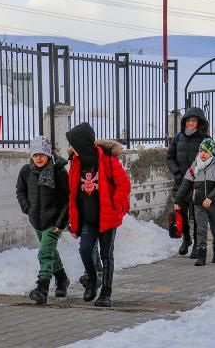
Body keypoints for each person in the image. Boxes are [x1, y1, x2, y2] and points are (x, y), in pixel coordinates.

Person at [66, 122, 131, 307]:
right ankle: (93, 280)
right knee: (85, 250)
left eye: (73, 144)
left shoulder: (108, 160)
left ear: (82, 143)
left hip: (107, 218)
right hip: (88, 218)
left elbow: (124, 186)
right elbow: (73, 194)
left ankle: (106, 293)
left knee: (106, 255)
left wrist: (113, 205)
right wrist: (73, 220)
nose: (70, 148)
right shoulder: (76, 163)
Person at [16, 136, 70, 305]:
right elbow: (20, 191)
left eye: (42, 154)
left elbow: (68, 199)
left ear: (48, 154)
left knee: (45, 253)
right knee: (51, 251)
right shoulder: (26, 171)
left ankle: (42, 288)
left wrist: (61, 222)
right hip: (37, 220)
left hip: (53, 221)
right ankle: (62, 279)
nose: (38, 158)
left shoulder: (58, 171)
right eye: (35, 155)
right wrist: (27, 208)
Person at [174, 138, 215, 266]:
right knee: (201, 229)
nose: (202, 154)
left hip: (214, 203)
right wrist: (178, 200)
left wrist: (210, 198)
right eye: (201, 151)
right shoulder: (194, 167)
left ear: (212, 153)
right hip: (198, 204)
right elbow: (185, 184)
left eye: (206, 151)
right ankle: (201, 256)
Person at [167, 107, 210, 259]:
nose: (191, 123)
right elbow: (170, 157)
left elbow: (213, 159)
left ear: (199, 123)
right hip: (181, 182)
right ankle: (186, 239)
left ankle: (198, 243)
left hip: (198, 183)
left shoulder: (206, 139)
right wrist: (177, 173)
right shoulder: (178, 138)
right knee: (182, 212)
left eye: (194, 121)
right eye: (188, 120)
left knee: (198, 214)